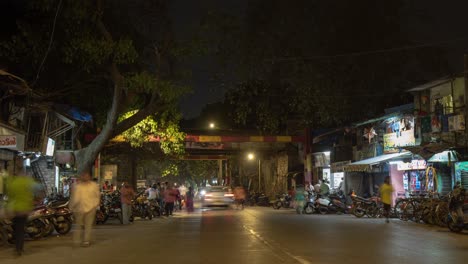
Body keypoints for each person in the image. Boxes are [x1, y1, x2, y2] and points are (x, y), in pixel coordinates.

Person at [6, 173, 36, 256]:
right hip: (25, 210)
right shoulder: (27, 182)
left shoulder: (13, 183)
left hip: (16, 210)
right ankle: (20, 248)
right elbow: (33, 194)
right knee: (21, 230)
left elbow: (10, 197)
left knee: (17, 230)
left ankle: (18, 248)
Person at [69, 171, 100, 247]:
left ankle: (86, 240)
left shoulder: (94, 186)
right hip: (79, 208)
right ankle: (77, 240)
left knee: (88, 225)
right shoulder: (78, 186)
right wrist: (71, 207)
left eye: (87, 176)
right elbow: (75, 198)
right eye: (84, 176)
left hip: (91, 208)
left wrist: (95, 205)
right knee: (78, 225)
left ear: (89, 177)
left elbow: (97, 196)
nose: (85, 177)